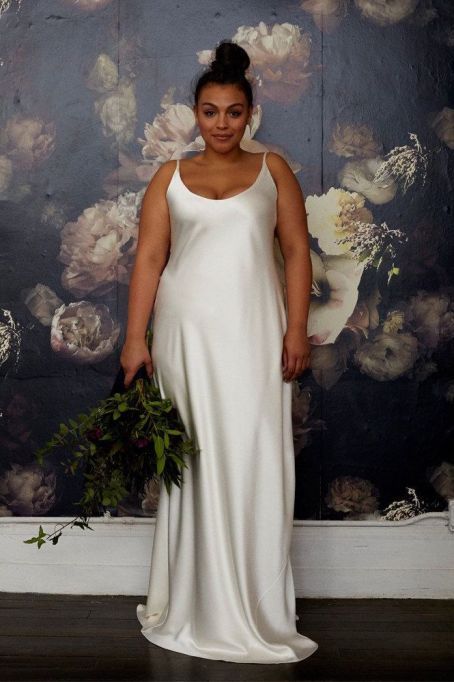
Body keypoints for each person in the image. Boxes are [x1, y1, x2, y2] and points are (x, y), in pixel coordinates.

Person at [120, 39, 318, 664]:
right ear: (194, 114)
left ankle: (252, 606)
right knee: (197, 460)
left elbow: (295, 252)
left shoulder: (273, 170)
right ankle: (193, 601)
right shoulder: (170, 176)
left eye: (234, 112)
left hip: (256, 332)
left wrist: (294, 330)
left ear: (250, 115)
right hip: (186, 338)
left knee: (253, 455)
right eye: (211, 112)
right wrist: (134, 339)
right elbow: (150, 259)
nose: (223, 124)